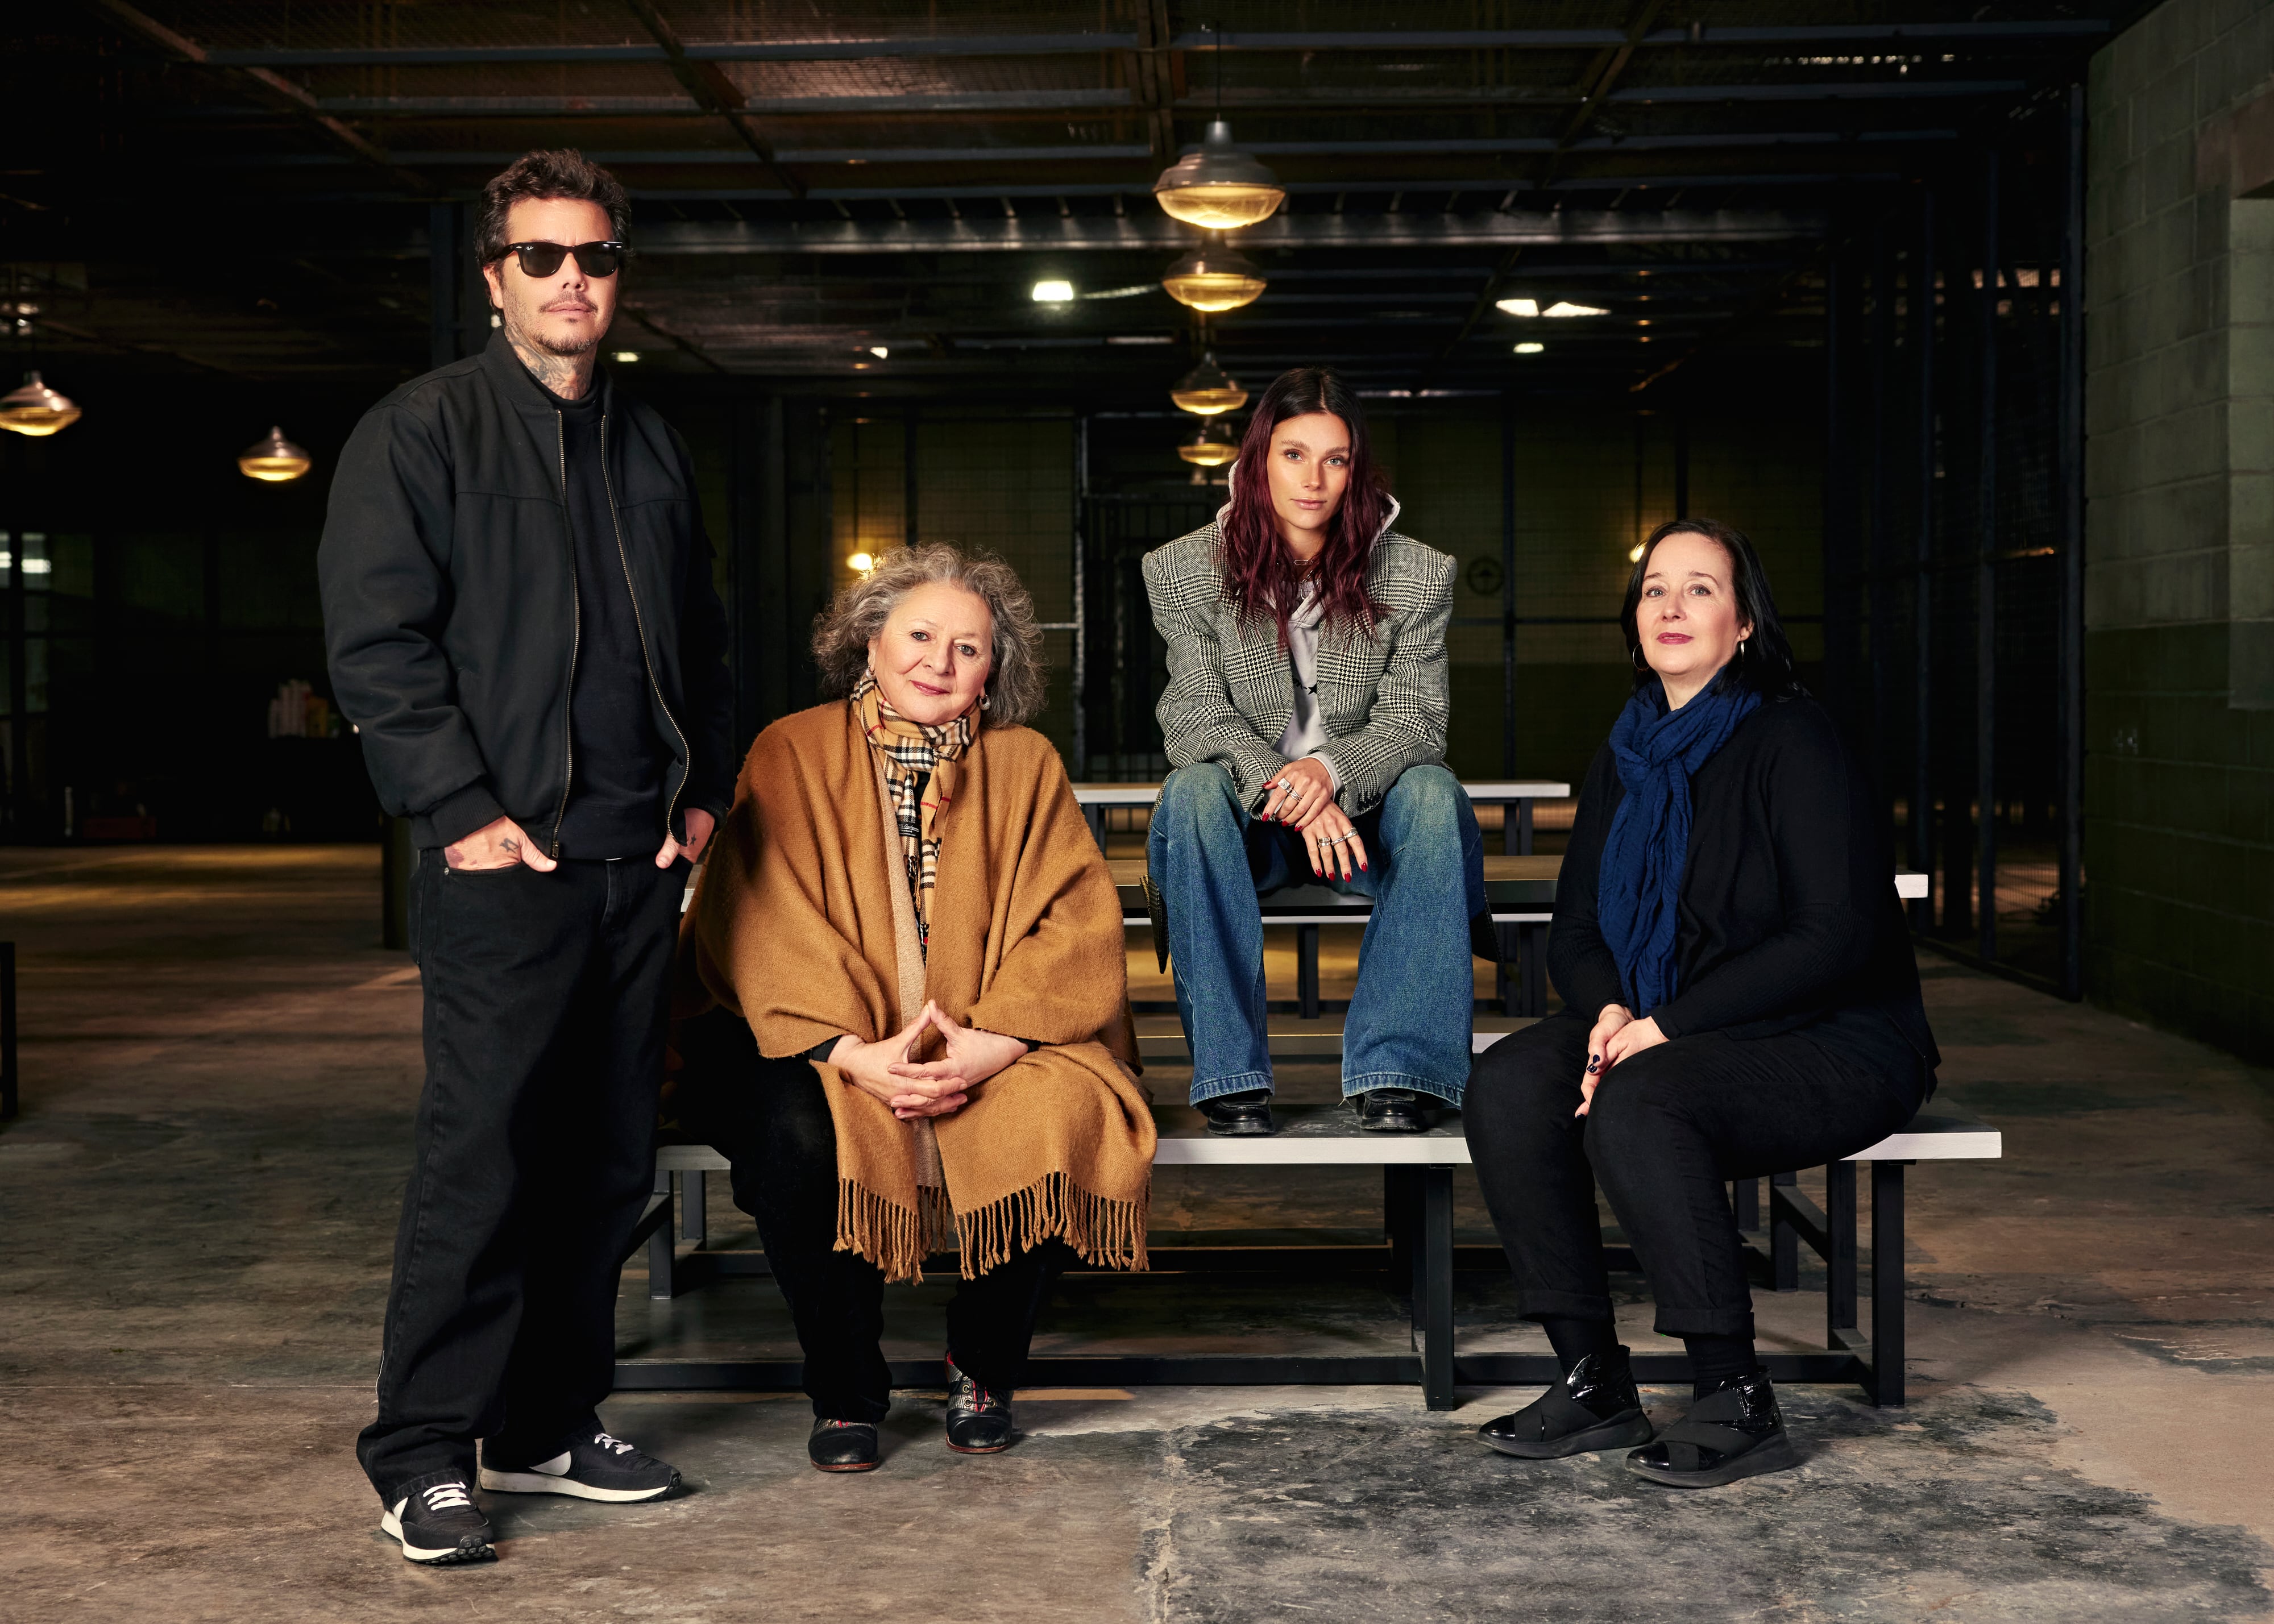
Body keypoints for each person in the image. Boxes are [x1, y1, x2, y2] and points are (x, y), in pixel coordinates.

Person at [319, 149, 735, 1563]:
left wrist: (699, 792)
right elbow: (378, 645)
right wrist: (458, 812)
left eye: (596, 257)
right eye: (543, 257)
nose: (573, 280)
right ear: (496, 276)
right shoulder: (421, 432)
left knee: (607, 1162)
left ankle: (548, 1420)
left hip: (637, 858)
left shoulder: (649, 440)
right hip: (508, 865)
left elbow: (701, 634)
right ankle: (424, 1448)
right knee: (483, 1156)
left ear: (620, 275)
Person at [1463, 517, 1940, 1489]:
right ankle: (1593, 1378)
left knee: (1646, 1098)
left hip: (1834, 1039)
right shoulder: (1628, 753)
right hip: (1662, 1021)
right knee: (1511, 1082)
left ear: (1745, 624)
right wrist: (1607, 1015)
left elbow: (1835, 935)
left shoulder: (1792, 738)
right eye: (1653, 590)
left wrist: (1660, 1030)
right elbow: (1578, 930)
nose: (1671, 607)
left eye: (1700, 589)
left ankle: (1734, 1393)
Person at [673, 543, 1153, 1474]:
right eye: (922, 635)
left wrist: (991, 1043)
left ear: (995, 668)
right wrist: (852, 1051)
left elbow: (1075, 917)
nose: (941, 660)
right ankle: (845, 1387)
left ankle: (983, 1367)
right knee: (799, 1135)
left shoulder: (1025, 763)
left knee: (1061, 1110)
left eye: (969, 647)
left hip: (986, 1032)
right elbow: (757, 914)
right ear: (870, 640)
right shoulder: (792, 747)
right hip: (821, 1038)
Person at [1143, 366, 1485, 1136]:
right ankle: (1232, 1078)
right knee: (1191, 789)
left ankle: (1402, 1070)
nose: (1315, 479)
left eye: (1336, 459)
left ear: (1357, 470)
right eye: (1295, 454)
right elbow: (1194, 711)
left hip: (1363, 833)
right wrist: (1284, 783)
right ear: (1258, 459)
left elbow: (1415, 722)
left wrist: (1327, 772)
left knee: (1433, 788)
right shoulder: (1183, 569)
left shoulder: (1418, 573)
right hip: (1249, 827)